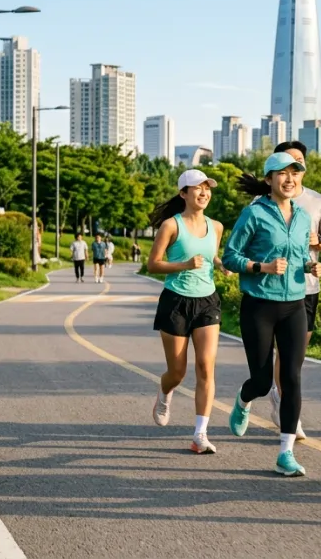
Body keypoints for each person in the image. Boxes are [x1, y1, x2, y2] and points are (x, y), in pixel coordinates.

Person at [224, 152, 321, 477]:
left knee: (292, 378)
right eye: (282, 173)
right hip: (259, 304)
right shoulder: (253, 214)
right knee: (264, 381)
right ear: (269, 180)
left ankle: (286, 452)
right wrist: (260, 267)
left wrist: (312, 265)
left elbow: (299, 257)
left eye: (295, 173)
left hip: (295, 304)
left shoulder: (303, 217)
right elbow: (230, 256)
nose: (290, 179)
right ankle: (243, 398)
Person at [147, 169, 225, 454]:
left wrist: (220, 264)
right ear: (183, 194)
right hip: (176, 301)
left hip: (207, 300)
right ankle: (165, 391)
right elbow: (153, 264)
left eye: (207, 188)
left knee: (206, 367)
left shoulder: (216, 226)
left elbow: (210, 253)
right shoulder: (171, 225)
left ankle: (200, 434)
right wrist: (183, 265)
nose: (204, 192)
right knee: (177, 372)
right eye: (197, 188)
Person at [266, 141, 321, 442]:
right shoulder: (265, 202)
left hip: (307, 287)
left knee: (295, 355)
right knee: (284, 353)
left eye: (298, 162)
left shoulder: (318, 201)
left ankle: (281, 398)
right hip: (271, 288)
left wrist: (318, 241)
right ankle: (287, 411)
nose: (293, 169)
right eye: (286, 163)